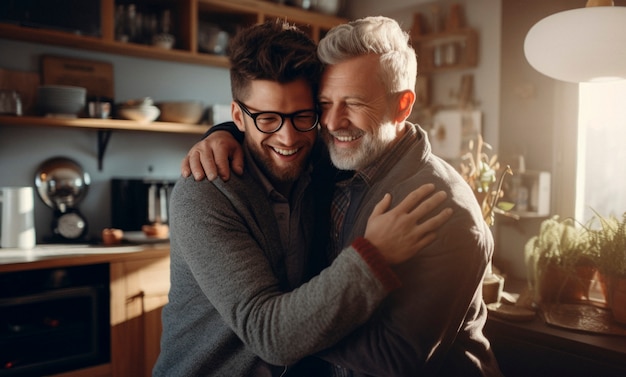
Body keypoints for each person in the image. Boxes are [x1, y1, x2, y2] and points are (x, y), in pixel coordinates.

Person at [183, 16, 503, 377]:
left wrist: (290, 328)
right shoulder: (329, 161)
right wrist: (224, 134)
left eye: (353, 103)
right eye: (324, 104)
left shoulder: (441, 210)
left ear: (402, 106)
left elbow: (394, 358)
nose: (332, 123)